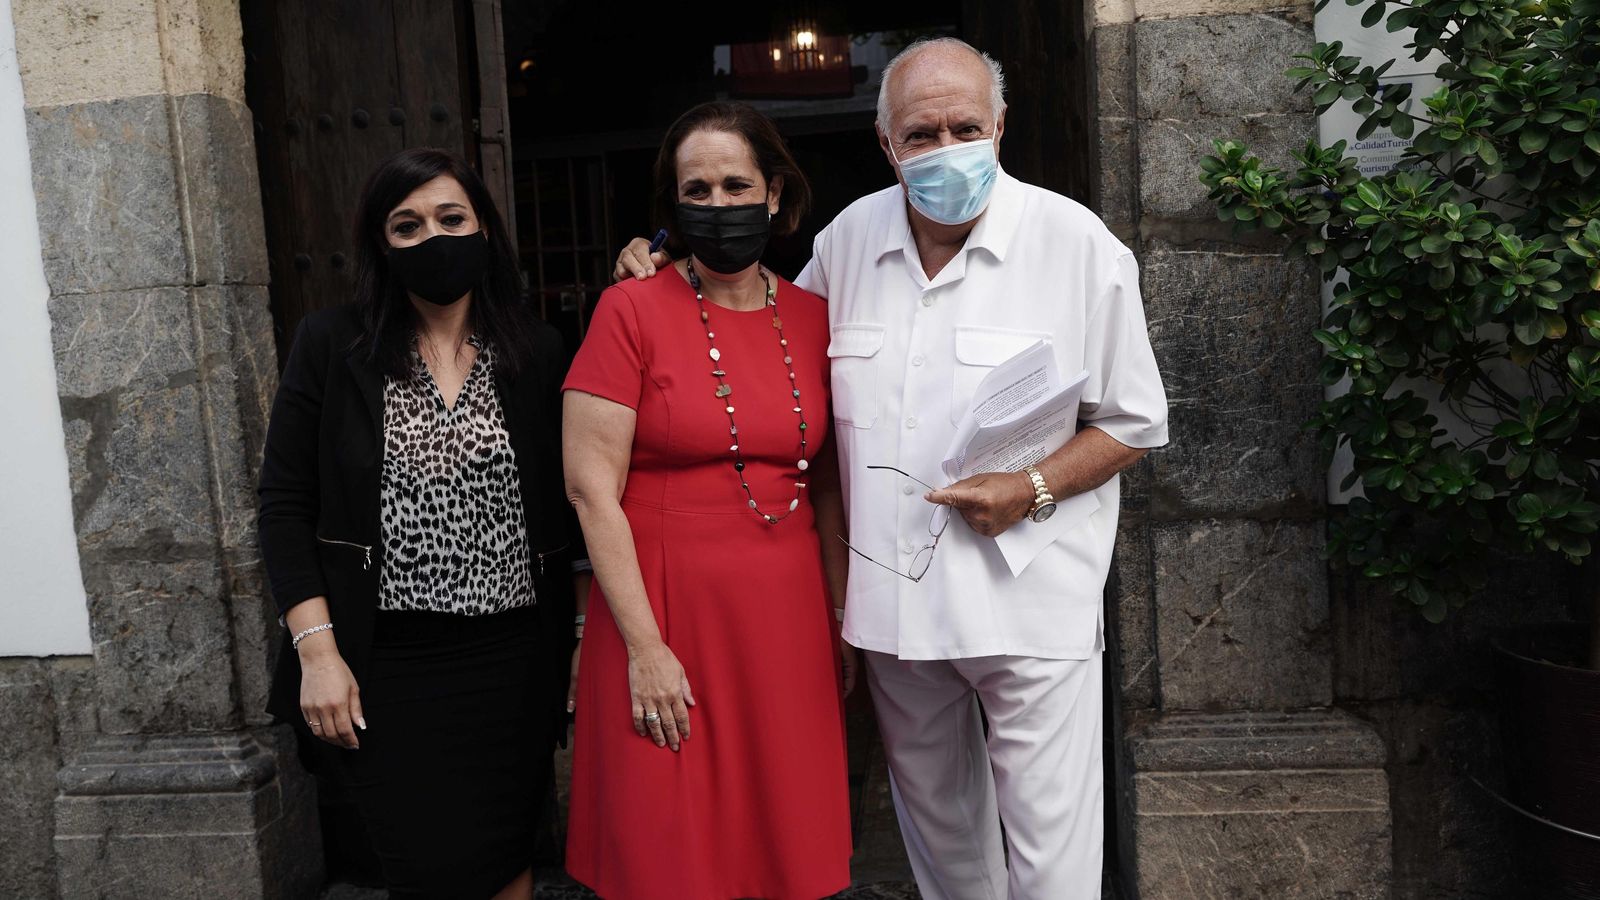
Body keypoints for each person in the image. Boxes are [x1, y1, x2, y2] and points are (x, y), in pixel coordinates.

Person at [614, 38, 1169, 900]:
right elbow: (756, 327)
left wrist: (1030, 488)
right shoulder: (848, 241)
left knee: (1053, 857)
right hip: (897, 613)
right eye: (921, 134)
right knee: (945, 851)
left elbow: (1134, 421)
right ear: (886, 144)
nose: (947, 149)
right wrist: (665, 267)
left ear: (1000, 127)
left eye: (965, 128)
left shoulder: (1077, 246)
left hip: (1031, 605)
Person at [258, 147, 586, 900]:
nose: (432, 238)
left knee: (509, 860)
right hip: (385, 667)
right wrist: (317, 654)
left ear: (484, 229)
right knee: (424, 869)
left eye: (451, 218)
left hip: (514, 663)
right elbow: (283, 505)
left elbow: (573, 509)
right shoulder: (332, 345)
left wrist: (580, 641)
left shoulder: (535, 350)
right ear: (382, 244)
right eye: (407, 226)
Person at [562, 101, 854, 900]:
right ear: (674, 205)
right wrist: (644, 648)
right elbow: (590, 489)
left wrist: (840, 615)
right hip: (664, 616)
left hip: (786, 620)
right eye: (697, 190)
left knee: (780, 840)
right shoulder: (630, 309)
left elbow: (830, 484)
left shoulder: (814, 317)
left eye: (736, 185)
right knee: (671, 850)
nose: (718, 204)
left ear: (774, 194)